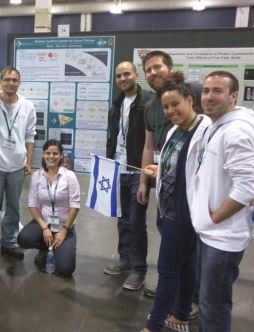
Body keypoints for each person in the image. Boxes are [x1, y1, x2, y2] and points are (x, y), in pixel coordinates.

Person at [191, 71, 254, 331]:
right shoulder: (217, 124)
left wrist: (213, 218)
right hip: (210, 232)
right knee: (208, 301)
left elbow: (245, 189)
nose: (209, 97)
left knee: (213, 306)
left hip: (222, 238)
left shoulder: (237, 131)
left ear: (234, 96)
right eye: (205, 91)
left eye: (217, 91)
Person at [141, 72, 211, 332]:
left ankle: (154, 325)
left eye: (175, 104)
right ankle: (181, 313)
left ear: (190, 100)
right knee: (186, 265)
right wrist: (160, 170)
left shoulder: (204, 132)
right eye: (166, 107)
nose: (171, 110)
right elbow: (182, 167)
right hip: (169, 208)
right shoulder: (175, 131)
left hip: (184, 214)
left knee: (167, 270)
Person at [138, 50, 202, 302]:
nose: (153, 73)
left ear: (170, 68)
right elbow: (148, 146)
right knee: (169, 235)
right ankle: (172, 284)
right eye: (148, 70)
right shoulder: (150, 106)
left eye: (157, 67)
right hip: (167, 182)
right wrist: (144, 182)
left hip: (194, 185)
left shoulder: (194, 90)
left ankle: (191, 297)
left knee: (192, 243)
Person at [104, 61, 152, 290]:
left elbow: (151, 141)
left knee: (136, 221)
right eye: (119, 76)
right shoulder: (117, 103)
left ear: (136, 75)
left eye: (126, 74)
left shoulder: (149, 102)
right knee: (122, 219)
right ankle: (125, 259)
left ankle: (139, 269)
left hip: (137, 170)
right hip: (118, 167)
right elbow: (113, 136)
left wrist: (146, 174)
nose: (122, 79)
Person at [0, 66, 37, 263]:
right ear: (1, 81)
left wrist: (29, 161)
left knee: (13, 206)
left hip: (17, 166)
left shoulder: (28, 106)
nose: (11, 83)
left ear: (19, 83)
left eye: (15, 80)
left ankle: (9, 242)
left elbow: (30, 136)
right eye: (7, 80)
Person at [17, 139, 80, 276]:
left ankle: (62, 243)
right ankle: (45, 248)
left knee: (66, 269)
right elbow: (32, 204)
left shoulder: (70, 177)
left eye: (55, 153)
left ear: (61, 155)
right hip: (45, 223)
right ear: (43, 155)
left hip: (64, 227)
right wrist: (44, 227)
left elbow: (75, 207)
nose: (51, 157)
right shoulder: (37, 176)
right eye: (48, 153)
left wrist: (64, 230)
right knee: (23, 238)